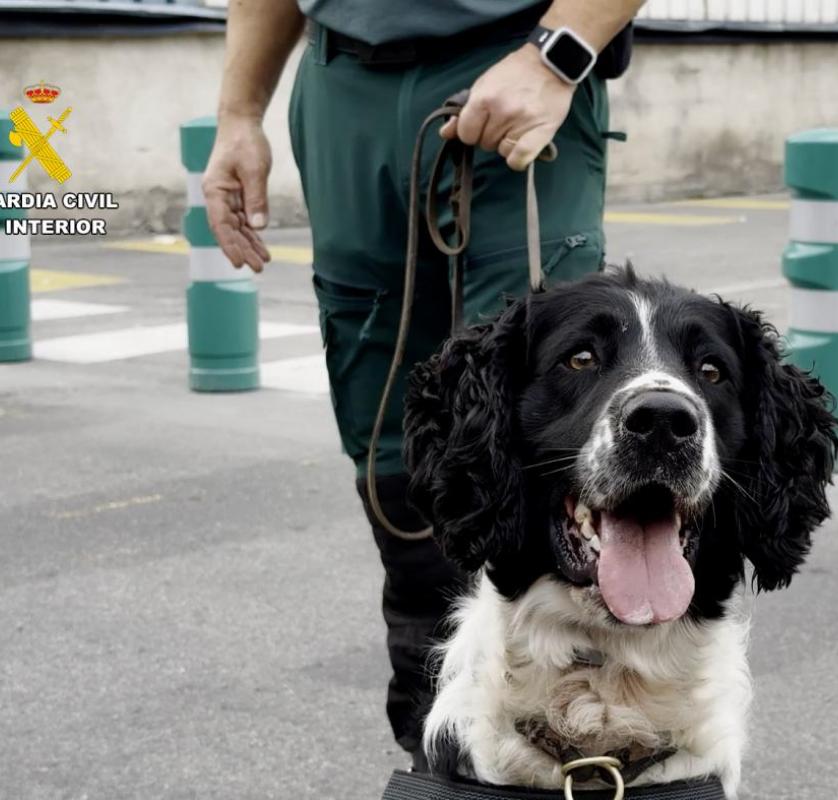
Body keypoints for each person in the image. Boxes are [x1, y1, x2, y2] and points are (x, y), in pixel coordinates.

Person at [202, 0, 643, 769]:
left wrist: (557, 55)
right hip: (344, 82)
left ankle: (579, 752)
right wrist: (240, 113)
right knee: (393, 452)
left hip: (511, 61)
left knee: (544, 422)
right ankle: (439, 752)